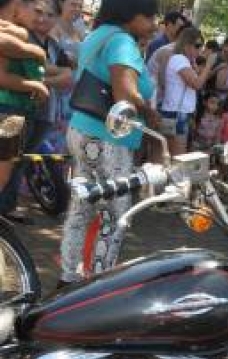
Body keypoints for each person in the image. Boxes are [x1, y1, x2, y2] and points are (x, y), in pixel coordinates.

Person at [58, 0, 158, 287]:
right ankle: (99, 283)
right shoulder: (122, 40)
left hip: (82, 130)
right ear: (130, 15)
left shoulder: (98, 35)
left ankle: (68, 277)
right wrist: (151, 113)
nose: (153, 25)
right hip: (108, 138)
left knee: (81, 209)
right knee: (115, 215)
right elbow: (126, 94)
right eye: (149, 17)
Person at [0, 0, 49, 222]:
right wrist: (35, 85)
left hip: (16, 111)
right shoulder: (10, 32)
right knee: (2, 173)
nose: (41, 17)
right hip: (8, 111)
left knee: (6, 171)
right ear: (17, 5)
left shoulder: (15, 31)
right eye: (36, 10)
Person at [159, 27, 216, 155]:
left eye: (201, 46)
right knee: (178, 157)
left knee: (169, 154)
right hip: (177, 114)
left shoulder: (184, 60)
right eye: (197, 45)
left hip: (175, 112)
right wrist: (208, 65)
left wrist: (196, 65)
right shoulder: (180, 59)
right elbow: (197, 84)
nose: (200, 49)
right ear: (186, 44)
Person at [26, 0, 72, 152]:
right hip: (21, 111)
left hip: (46, 115)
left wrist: (42, 81)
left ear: (57, 19)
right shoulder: (23, 36)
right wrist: (56, 74)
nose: (42, 18)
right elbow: (30, 67)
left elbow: (69, 77)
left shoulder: (54, 46)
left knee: (23, 164)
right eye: (38, 12)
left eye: (50, 15)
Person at [50, 0, 84, 64]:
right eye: (73, 5)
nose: (77, 9)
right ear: (61, 4)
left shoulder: (78, 28)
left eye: (80, 6)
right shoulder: (53, 26)